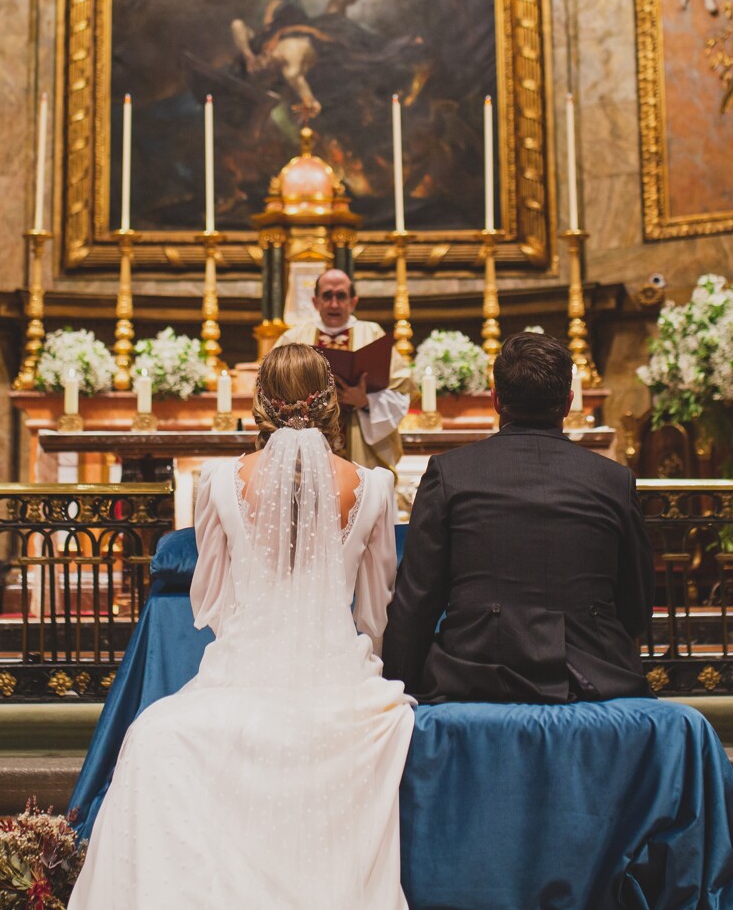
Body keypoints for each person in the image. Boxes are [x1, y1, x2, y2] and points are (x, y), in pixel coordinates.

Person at [71, 344, 414, 908]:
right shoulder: (374, 485)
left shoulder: (217, 480)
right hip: (341, 678)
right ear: (329, 403)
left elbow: (210, 604)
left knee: (152, 735)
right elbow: (375, 613)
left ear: (261, 404)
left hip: (239, 670)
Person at [384, 331, 654, 702]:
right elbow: (637, 605)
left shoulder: (451, 473)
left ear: (496, 400)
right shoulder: (613, 480)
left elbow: (417, 599)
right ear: (568, 403)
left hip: (474, 674)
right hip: (594, 678)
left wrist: (398, 690)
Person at [274, 268, 411, 470]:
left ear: (353, 302)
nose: (334, 304)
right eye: (327, 296)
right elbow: (270, 390)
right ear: (315, 302)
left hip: (359, 445)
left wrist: (366, 402)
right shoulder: (293, 338)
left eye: (341, 296)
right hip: (305, 445)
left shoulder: (372, 334)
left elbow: (402, 390)